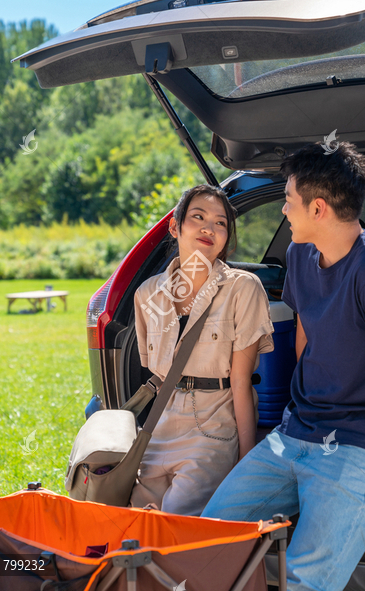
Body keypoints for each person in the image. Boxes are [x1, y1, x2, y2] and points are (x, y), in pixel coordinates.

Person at [201, 143, 365, 591]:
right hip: (296, 433)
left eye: (288, 200)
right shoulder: (300, 255)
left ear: (319, 208)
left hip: (359, 445)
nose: (284, 210)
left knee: (305, 582)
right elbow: (306, 332)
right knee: (206, 540)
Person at [129, 184, 275, 517]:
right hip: (158, 424)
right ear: (175, 226)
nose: (209, 228)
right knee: (135, 525)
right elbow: (157, 372)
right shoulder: (147, 293)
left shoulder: (243, 288)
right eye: (198, 217)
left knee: (178, 525)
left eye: (221, 223)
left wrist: (246, 461)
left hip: (212, 427)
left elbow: (241, 382)